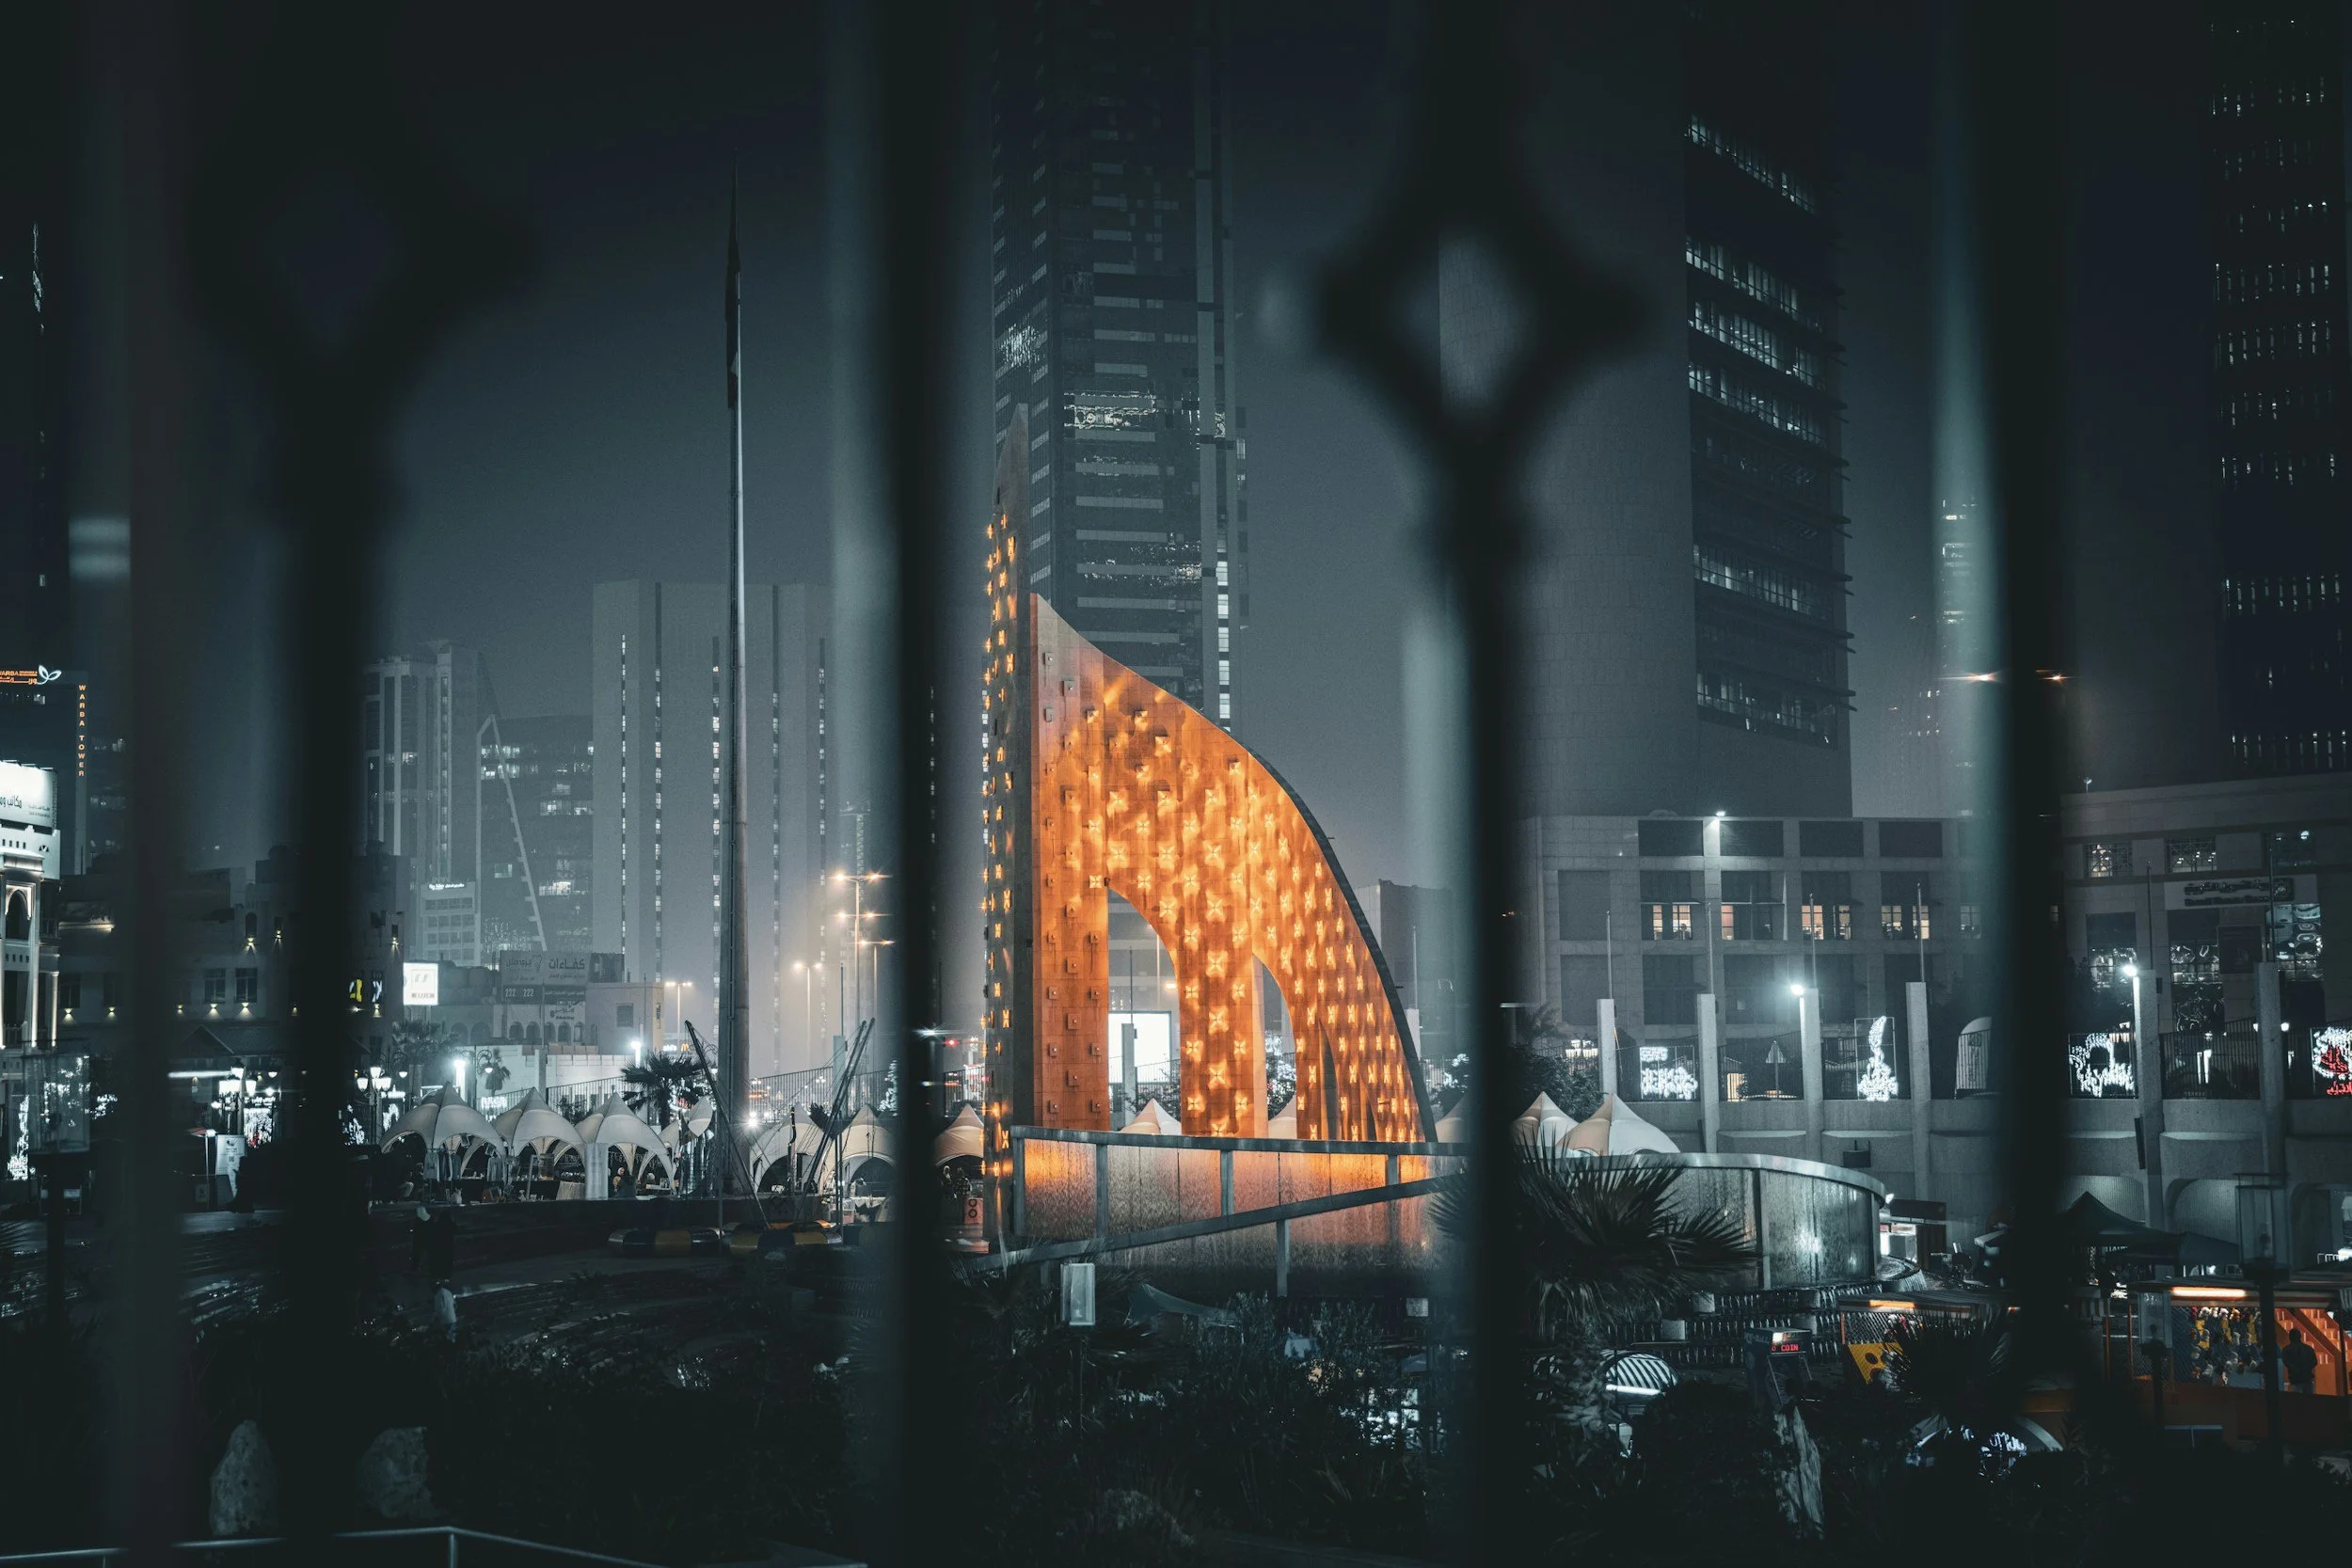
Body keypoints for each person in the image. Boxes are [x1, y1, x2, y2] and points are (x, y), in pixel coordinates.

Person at [2281, 1327, 2320, 1395]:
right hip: (2307, 1379)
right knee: (2309, 1402)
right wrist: (2306, 1369)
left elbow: (2286, 1362)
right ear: (2300, 1337)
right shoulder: (2309, 1348)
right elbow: (2314, 1362)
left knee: (2297, 1403)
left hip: (2295, 1380)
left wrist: (2296, 1370)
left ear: (2290, 1337)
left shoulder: (2286, 1350)